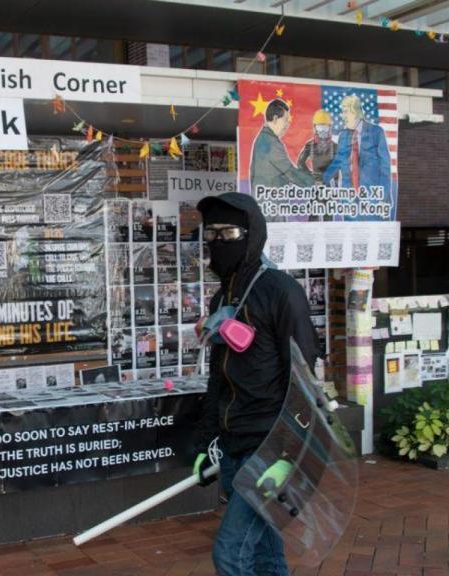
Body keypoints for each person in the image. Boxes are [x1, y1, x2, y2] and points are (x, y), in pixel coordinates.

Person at [192, 192, 319, 576]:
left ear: (252, 234)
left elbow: (303, 377)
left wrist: (287, 455)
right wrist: (207, 442)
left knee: (230, 554)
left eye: (228, 233)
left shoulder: (281, 291)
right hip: (234, 446)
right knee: (265, 554)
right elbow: (218, 377)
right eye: (211, 233)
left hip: (269, 446)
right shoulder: (221, 300)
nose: (218, 241)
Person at [321, 95, 393, 220]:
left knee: (373, 230)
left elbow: (385, 166)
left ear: (355, 112)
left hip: (372, 198)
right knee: (352, 232)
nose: (342, 116)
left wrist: (384, 196)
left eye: (345, 112)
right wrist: (322, 178)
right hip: (349, 200)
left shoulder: (376, 132)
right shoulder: (343, 135)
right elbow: (338, 160)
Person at [249, 100, 315, 193]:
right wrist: (316, 181)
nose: (287, 125)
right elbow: (291, 173)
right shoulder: (271, 143)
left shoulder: (264, 137)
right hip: (270, 199)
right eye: (285, 120)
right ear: (275, 118)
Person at [296, 109, 338, 184]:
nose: (322, 131)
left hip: (332, 185)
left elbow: (342, 165)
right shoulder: (310, 145)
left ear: (329, 128)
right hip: (316, 183)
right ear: (315, 128)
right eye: (320, 127)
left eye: (325, 127)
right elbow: (300, 163)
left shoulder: (335, 147)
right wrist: (310, 176)